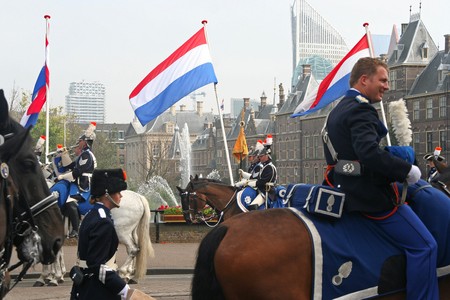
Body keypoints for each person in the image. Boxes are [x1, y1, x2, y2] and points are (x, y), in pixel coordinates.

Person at [323, 57, 438, 299]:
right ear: (365, 80)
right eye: (383, 80)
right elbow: (368, 153)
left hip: (342, 189)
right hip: (368, 196)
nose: (387, 86)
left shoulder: (339, 109)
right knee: (426, 246)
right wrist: (405, 170)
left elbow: (345, 156)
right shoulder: (361, 108)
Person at [70, 168, 153, 300]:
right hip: (97, 290)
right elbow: (97, 265)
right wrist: (124, 290)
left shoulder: (91, 215)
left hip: (85, 286)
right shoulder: (103, 222)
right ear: (107, 194)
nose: (121, 196)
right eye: (118, 192)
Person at [51, 122, 97, 238]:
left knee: (70, 202)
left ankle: (76, 230)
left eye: (80, 140)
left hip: (84, 183)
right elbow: (71, 166)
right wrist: (61, 156)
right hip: (79, 182)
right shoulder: (84, 155)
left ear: (85, 142)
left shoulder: (87, 155)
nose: (78, 142)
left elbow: (77, 172)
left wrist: (62, 177)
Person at [248, 145, 277, 210]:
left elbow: (264, 181)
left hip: (267, 192)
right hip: (261, 190)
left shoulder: (270, 167)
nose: (259, 158)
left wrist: (254, 183)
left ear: (267, 156)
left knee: (253, 206)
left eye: (261, 156)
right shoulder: (264, 166)